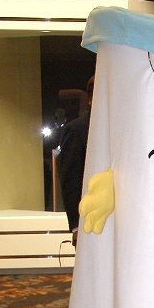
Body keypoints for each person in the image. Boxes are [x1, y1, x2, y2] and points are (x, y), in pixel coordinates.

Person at [58, 76, 94, 246]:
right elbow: (70, 180)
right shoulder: (76, 129)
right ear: (90, 99)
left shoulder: (123, 128)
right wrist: (76, 226)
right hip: (89, 221)